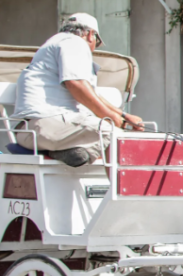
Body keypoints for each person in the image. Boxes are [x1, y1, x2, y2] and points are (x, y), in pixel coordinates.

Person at [12, 13, 144, 167]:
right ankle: (121, 191)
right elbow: (76, 85)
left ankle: (68, 153)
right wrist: (111, 118)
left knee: (109, 132)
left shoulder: (56, 43)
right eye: (98, 41)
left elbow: (91, 93)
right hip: (45, 127)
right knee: (116, 136)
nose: (95, 47)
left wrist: (123, 115)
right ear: (90, 34)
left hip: (33, 131)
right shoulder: (74, 42)